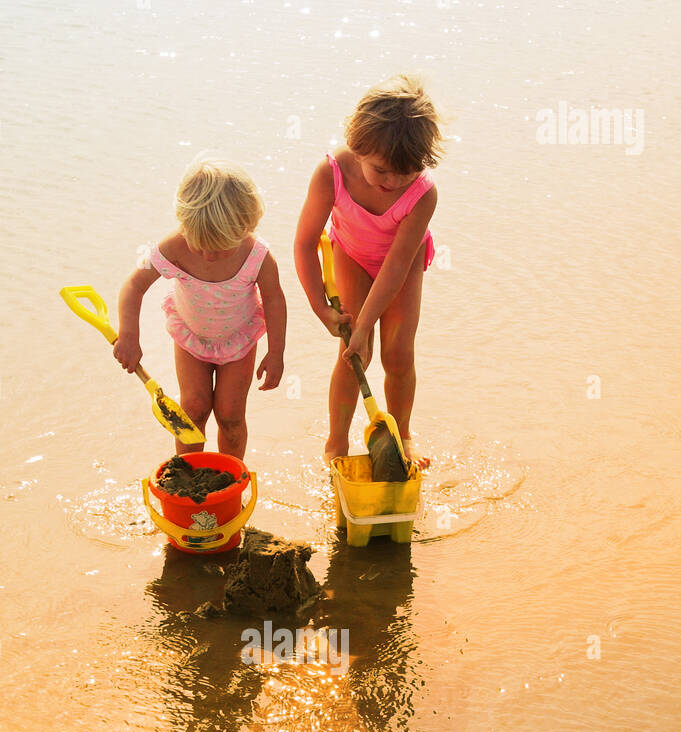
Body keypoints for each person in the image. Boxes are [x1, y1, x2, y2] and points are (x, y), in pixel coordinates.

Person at [294, 76, 444, 465]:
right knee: (353, 353)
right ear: (358, 147)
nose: (391, 183)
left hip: (402, 265)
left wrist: (365, 324)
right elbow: (304, 243)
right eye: (381, 170)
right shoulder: (331, 174)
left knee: (397, 353)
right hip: (351, 254)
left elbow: (396, 266)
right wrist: (320, 308)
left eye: (404, 173)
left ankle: (403, 435)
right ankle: (336, 444)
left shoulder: (422, 194)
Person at [114, 157, 286, 459]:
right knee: (192, 410)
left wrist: (276, 353)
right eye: (199, 245)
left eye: (220, 249)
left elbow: (274, 300)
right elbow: (134, 286)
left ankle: (230, 476)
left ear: (244, 228)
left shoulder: (258, 257)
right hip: (191, 338)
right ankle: (189, 475)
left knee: (230, 415)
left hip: (239, 341)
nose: (208, 256)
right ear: (185, 226)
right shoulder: (172, 247)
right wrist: (129, 335)